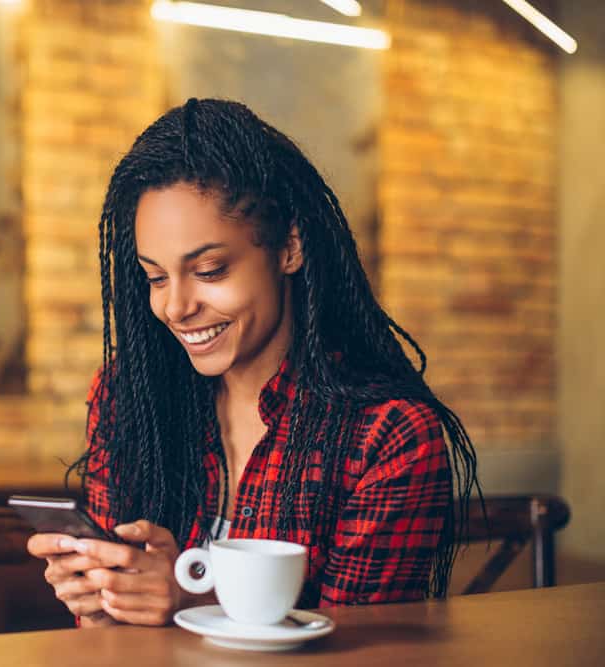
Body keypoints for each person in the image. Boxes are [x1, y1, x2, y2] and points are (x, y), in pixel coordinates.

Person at [27, 98, 481, 627]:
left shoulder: (387, 437)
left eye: (211, 269)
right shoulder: (130, 400)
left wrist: (188, 602)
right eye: (155, 276)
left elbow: (364, 652)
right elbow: (108, 644)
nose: (175, 307)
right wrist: (106, 600)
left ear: (289, 246)